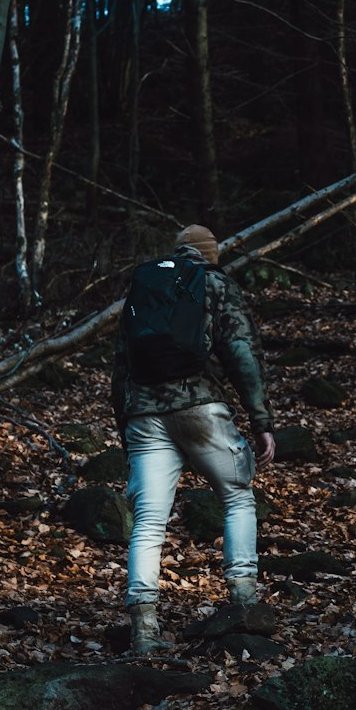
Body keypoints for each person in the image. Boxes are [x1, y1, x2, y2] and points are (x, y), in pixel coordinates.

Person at [111, 223, 276, 653]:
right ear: (210, 254)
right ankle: (243, 602)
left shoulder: (146, 287)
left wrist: (124, 428)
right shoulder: (217, 284)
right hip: (199, 407)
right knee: (237, 497)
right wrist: (261, 420)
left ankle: (144, 628)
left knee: (148, 520)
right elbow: (242, 352)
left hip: (144, 415)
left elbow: (122, 363)